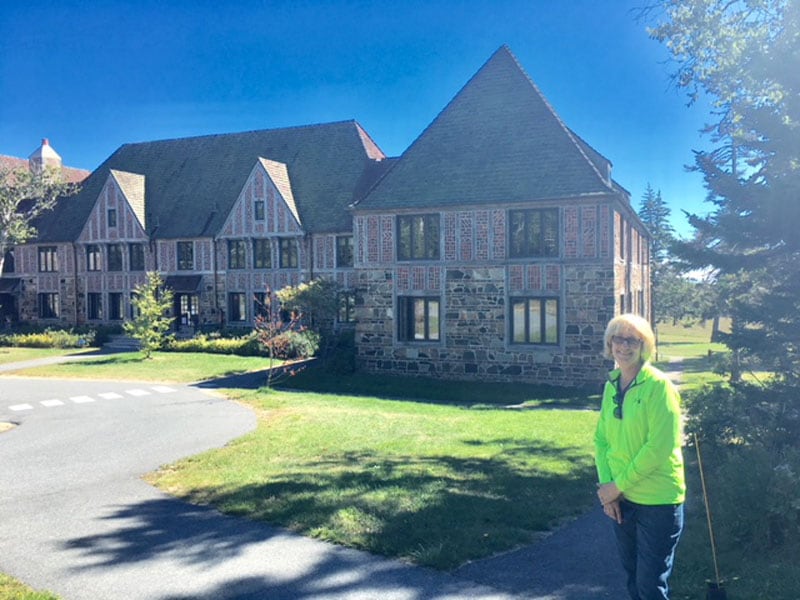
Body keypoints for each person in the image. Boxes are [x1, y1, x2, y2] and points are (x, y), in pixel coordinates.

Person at [594, 313, 686, 600]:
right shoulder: (611, 385)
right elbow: (601, 440)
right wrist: (608, 490)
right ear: (610, 344)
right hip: (623, 500)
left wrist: (617, 485)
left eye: (632, 340)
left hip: (658, 502)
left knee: (650, 585)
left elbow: (658, 448)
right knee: (633, 581)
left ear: (644, 345)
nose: (624, 346)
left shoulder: (659, 387)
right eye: (618, 339)